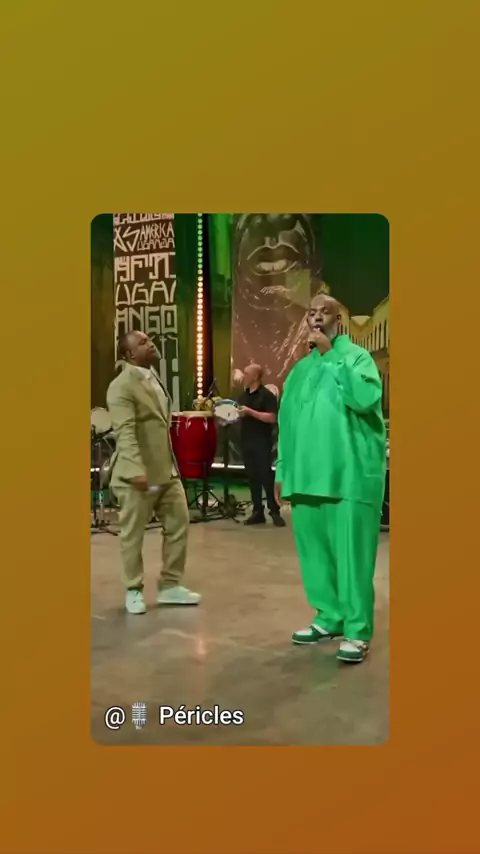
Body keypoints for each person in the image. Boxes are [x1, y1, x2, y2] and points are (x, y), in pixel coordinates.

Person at [274, 294, 386, 663]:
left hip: (348, 477)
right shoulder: (298, 372)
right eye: (312, 312)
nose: (317, 317)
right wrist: (283, 470)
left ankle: (357, 629)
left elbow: (365, 398)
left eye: (325, 312)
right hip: (305, 477)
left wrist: (331, 354)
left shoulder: (357, 358)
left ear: (338, 319)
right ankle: (329, 615)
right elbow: (286, 424)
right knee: (315, 555)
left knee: (352, 558)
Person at [106, 330, 201, 615]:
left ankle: (170, 585)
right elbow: (125, 432)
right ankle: (133, 589)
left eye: (149, 339)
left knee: (179, 523)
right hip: (136, 475)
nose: (151, 344)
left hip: (165, 471)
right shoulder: (121, 386)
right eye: (143, 343)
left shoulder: (152, 376)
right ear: (129, 354)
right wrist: (136, 469)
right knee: (133, 535)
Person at [238, 364, 285, 527]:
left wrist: (250, 412)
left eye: (246, 373)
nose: (244, 376)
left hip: (262, 442)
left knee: (266, 476)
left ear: (255, 376)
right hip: (246, 440)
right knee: (252, 477)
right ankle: (257, 511)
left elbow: (272, 417)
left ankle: (274, 511)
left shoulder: (267, 396)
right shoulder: (243, 396)